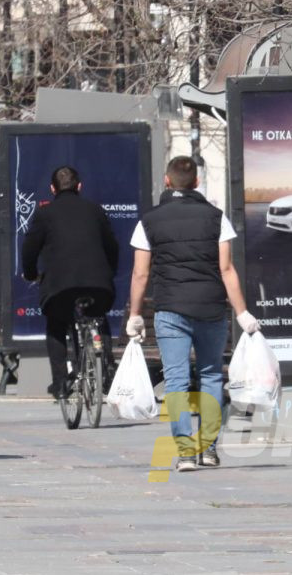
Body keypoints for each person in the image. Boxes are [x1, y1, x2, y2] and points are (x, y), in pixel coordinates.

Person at [126, 156, 259, 472]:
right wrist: (241, 312)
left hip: (170, 308)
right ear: (196, 182)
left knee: (176, 380)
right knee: (212, 375)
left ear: (167, 181)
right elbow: (226, 269)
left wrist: (134, 315)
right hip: (211, 308)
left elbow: (140, 274)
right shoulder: (216, 218)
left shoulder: (149, 220)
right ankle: (209, 449)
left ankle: (186, 452)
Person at [21, 166, 118, 402]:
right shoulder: (95, 210)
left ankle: (61, 383)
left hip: (60, 286)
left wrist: (31, 273)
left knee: (56, 323)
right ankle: (105, 369)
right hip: (98, 282)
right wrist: (108, 273)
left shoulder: (45, 214)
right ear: (80, 186)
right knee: (98, 314)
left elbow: (29, 249)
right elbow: (112, 246)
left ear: (52, 189)